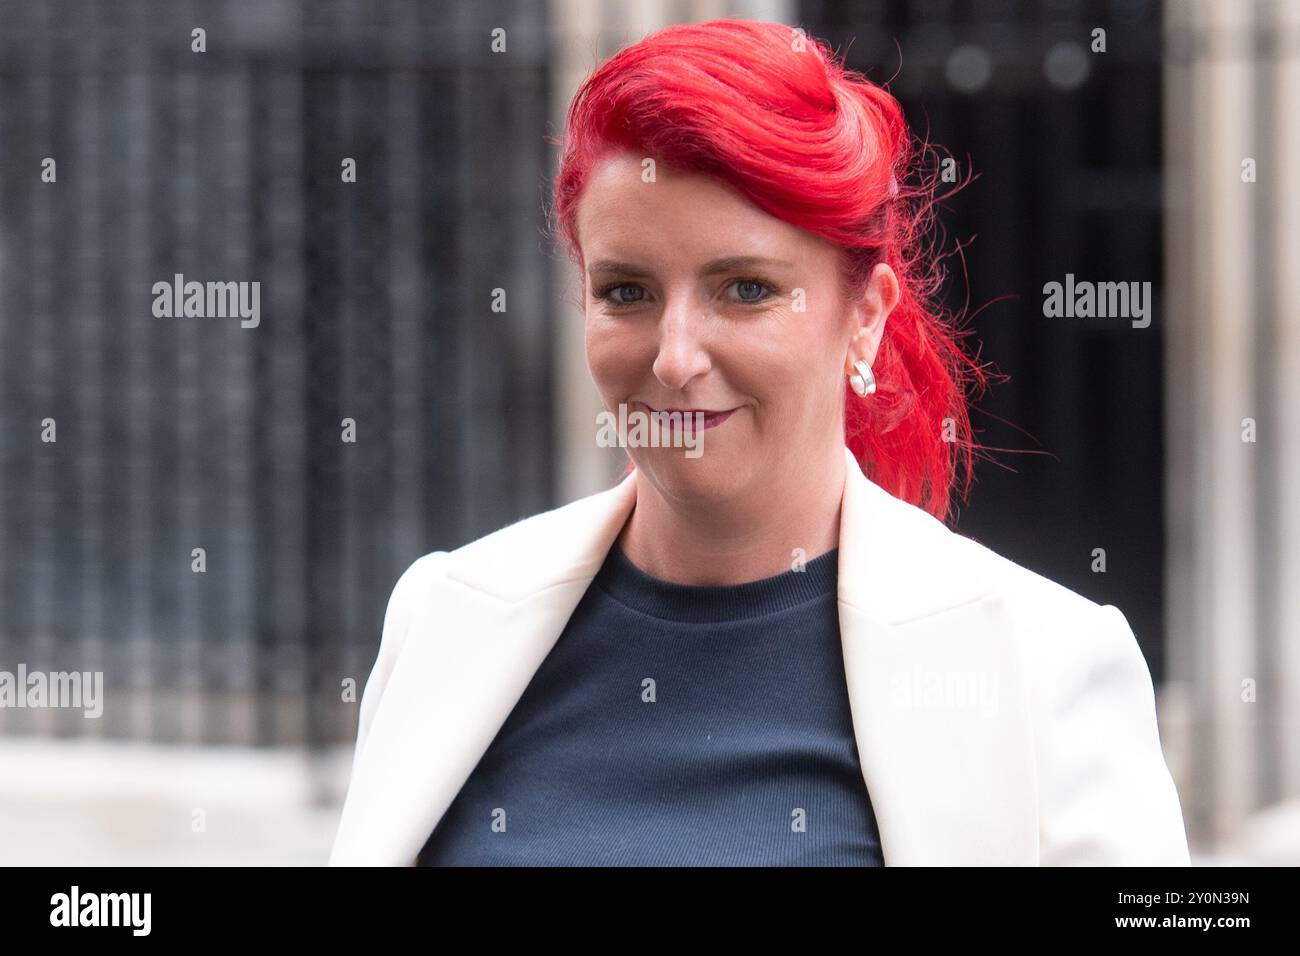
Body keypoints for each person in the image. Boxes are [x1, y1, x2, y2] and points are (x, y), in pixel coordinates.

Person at [329, 18, 1190, 866]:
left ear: (865, 318)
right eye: (626, 291)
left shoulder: (1047, 666)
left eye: (745, 289)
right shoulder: (446, 616)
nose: (674, 359)